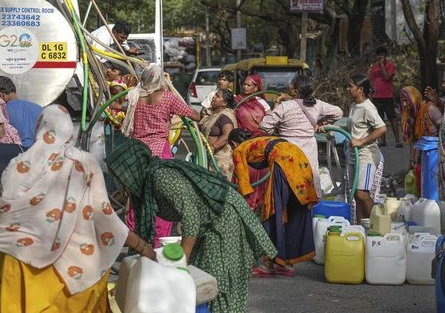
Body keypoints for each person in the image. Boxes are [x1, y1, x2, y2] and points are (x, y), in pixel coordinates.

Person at [0, 106, 156, 312]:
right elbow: (105, 214)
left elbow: (1, 215)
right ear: (68, 130)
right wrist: (143, 247)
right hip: (77, 268)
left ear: (41, 128)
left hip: (24, 266)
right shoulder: (84, 163)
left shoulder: (19, 164)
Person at [106, 138, 277, 313]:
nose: (121, 181)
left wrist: (181, 264)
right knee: (199, 280)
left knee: (218, 282)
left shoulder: (160, 177)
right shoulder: (145, 185)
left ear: (132, 168)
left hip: (224, 219)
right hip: (208, 223)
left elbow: (192, 216)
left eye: (122, 175)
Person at [121, 64, 200, 245]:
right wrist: (201, 115)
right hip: (158, 153)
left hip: (137, 152)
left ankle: (136, 240)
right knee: (162, 196)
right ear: (159, 80)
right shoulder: (167, 98)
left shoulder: (134, 96)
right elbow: (193, 115)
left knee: (137, 195)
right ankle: (158, 240)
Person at [230, 129, 319, 277]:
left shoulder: (239, 149)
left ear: (233, 143)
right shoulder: (263, 140)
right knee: (295, 210)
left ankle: (268, 265)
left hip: (282, 161)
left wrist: (244, 205)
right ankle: (287, 265)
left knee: (272, 211)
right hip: (300, 158)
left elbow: (244, 184)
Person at [260, 74, 343, 196]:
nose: (288, 87)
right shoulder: (317, 104)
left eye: (290, 85)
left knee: (288, 183)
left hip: (288, 148)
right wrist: (319, 124)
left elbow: (264, 125)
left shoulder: (285, 106)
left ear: (295, 91)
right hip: (309, 148)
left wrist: (277, 105)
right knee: (309, 183)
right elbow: (338, 112)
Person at [346, 74, 387, 221]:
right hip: (353, 155)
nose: (348, 89)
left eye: (351, 86)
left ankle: (375, 225)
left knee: (362, 193)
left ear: (360, 89)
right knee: (356, 195)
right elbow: (352, 129)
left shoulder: (368, 108)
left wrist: (362, 141)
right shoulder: (353, 105)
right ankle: (359, 227)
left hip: (366, 156)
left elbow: (382, 128)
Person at [0, 76, 42, 149]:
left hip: (16, 155)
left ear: (0, 95)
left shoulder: (2, 111)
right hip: (39, 154)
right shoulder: (38, 108)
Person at [199, 88, 238, 178]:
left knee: (218, 187)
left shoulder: (225, 117)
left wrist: (213, 147)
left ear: (224, 103)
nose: (214, 97)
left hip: (221, 161)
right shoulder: (212, 114)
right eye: (215, 95)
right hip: (210, 157)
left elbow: (227, 135)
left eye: (217, 96)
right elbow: (200, 120)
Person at [369, 47, 401, 147]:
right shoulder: (374, 67)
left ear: (385, 55)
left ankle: (397, 141)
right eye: (379, 55)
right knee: (380, 119)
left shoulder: (390, 65)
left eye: (382, 55)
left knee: (392, 118)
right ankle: (383, 141)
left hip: (387, 96)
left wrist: (382, 65)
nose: (381, 57)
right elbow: (372, 80)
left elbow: (387, 77)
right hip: (376, 96)